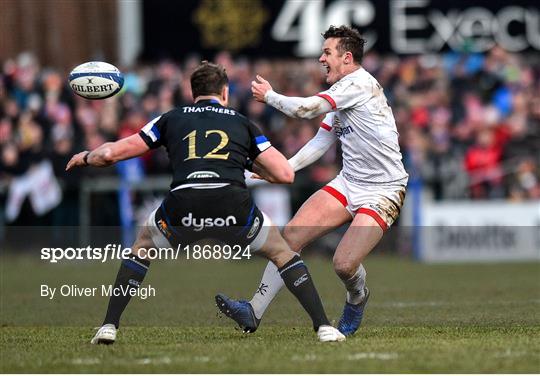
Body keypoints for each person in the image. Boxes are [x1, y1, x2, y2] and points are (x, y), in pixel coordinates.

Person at [66, 62, 345, 343]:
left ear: (192, 93)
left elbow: (113, 153)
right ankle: (323, 327)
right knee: (283, 253)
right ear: (224, 92)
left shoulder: (170, 118)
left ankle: (108, 326)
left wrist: (87, 156)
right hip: (231, 203)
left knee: (141, 249)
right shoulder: (242, 122)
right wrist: (251, 166)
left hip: (184, 204)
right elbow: (285, 174)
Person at [216, 26, 408, 336]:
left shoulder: (357, 85)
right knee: (289, 237)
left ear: (347, 58)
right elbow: (321, 142)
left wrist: (270, 96)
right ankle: (253, 310)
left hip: (383, 191)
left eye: (327, 53)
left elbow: (307, 109)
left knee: (343, 265)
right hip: (349, 183)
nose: (321, 58)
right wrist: (285, 169)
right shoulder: (345, 90)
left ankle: (357, 296)